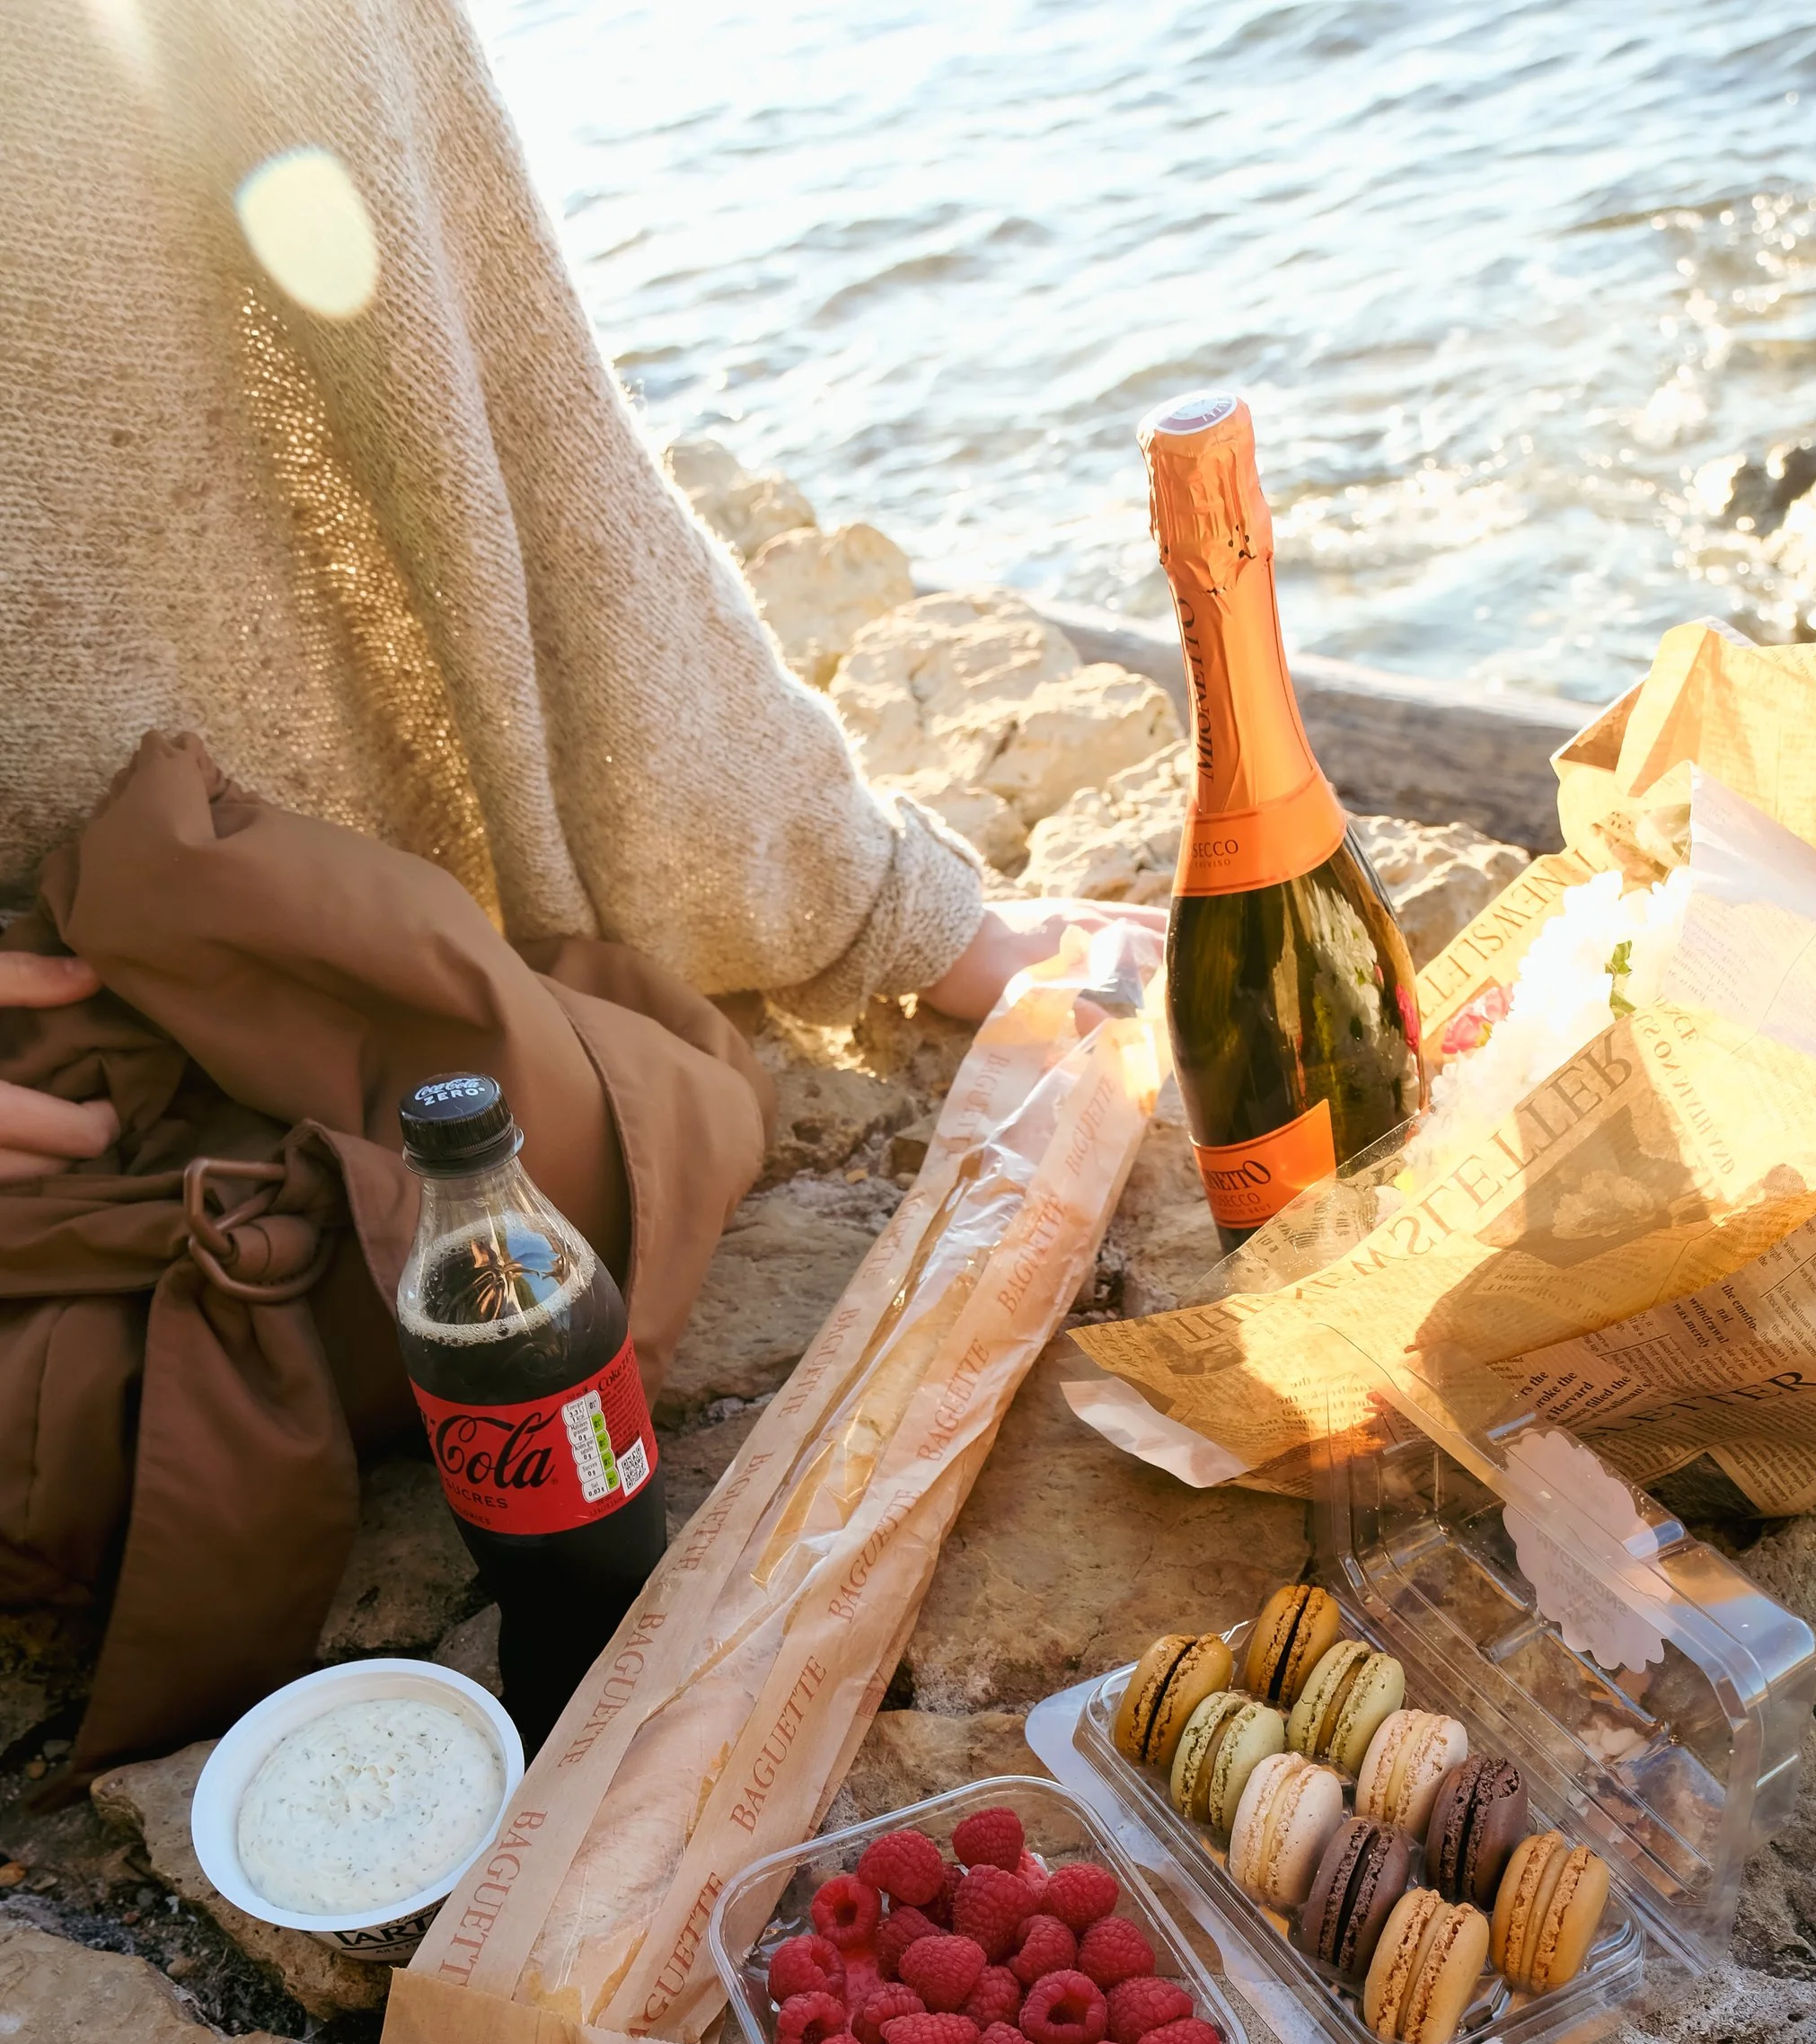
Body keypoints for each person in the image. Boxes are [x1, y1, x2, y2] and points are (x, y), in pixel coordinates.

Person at [1, 0, 1134, 1189]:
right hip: (216, 1025)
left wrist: (882, 905)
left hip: (150, 1024)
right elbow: (520, 437)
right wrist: (875, 903)